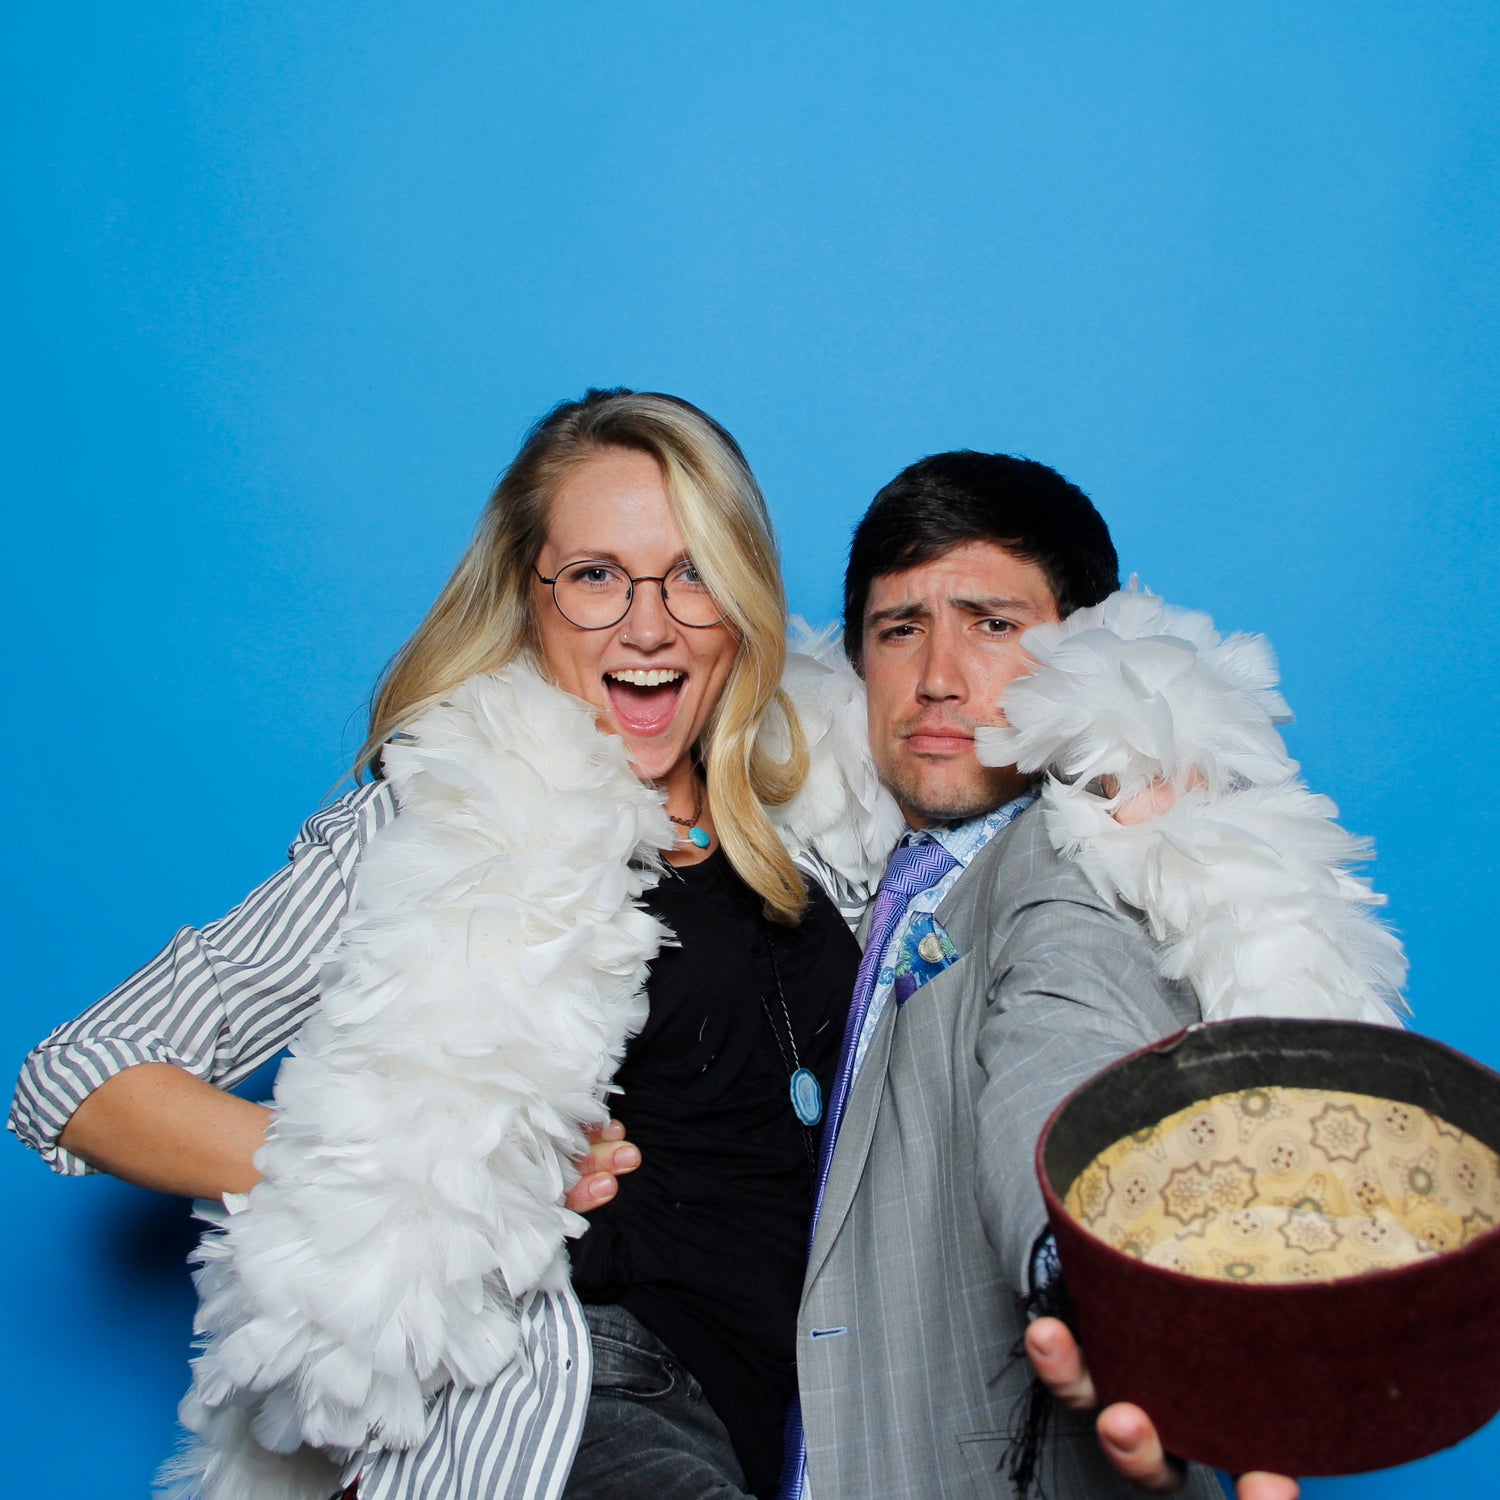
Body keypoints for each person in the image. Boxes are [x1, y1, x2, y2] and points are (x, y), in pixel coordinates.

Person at [9, 389, 896, 1500]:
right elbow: (78, 1079)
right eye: (596, 577)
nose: (650, 624)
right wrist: (437, 1171)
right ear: (529, 600)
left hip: (795, 1432)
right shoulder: (444, 815)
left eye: (692, 572)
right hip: (579, 1401)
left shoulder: (809, 828)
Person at [786, 451, 1399, 1500]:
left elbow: (1065, 1048)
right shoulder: (841, 883)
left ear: (1091, 657)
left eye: (993, 624)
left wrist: (1102, 1272)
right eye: (900, 629)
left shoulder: (1086, 858)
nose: (939, 675)